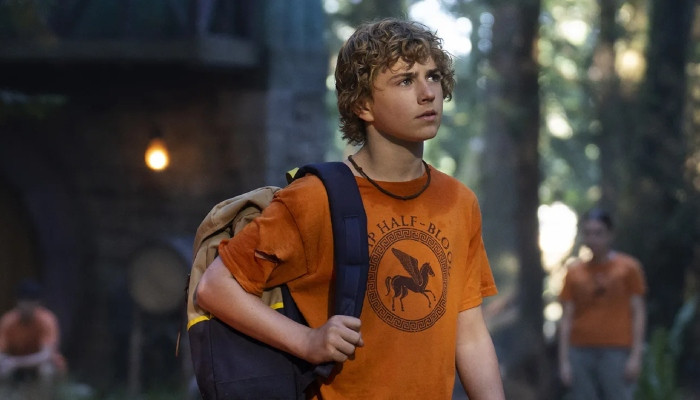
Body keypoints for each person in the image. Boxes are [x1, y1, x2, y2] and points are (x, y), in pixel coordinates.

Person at [196, 17, 505, 399]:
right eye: (405, 80)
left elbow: (469, 333)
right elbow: (215, 287)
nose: (428, 93)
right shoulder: (316, 198)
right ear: (363, 104)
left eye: (433, 76)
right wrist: (308, 341)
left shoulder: (459, 202)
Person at [558, 208, 647, 400]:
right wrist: (564, 360)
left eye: (598, 233)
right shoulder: (574, 273)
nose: (593, 239)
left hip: (617, 350)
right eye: (588, 233)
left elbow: (638, 312)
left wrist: (636, 355)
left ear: (610, 235)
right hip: (580, 350)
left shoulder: (629, 268)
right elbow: (566, 317)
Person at [0, 279, 67, 383]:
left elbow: (46, 355)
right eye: (24, 301)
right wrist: (5, 361)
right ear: (17, 302)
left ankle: (44, 394)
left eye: (30, 302)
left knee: (47, 370)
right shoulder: (8, 321)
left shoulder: (47, 320)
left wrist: (16, 362)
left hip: (36, 364)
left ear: (38, 303)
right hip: (14, 364)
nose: (26, 306)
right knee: (3, 367)